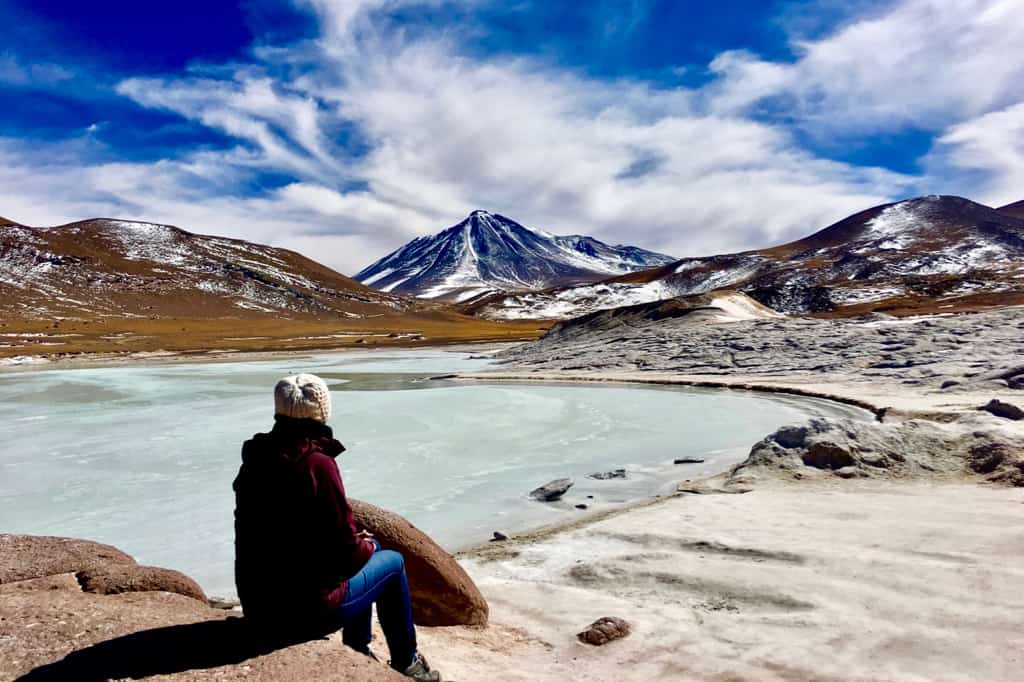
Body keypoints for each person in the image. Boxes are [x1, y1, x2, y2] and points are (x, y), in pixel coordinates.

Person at [233, 373, 442, 681]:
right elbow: (345, 554)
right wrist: (363, 543)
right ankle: (406, 662)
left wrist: (355, 542)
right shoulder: (316, 463)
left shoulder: (257, 455)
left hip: (259, 605)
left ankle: (358, 647)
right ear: (321, 411)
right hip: (304, 614)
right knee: (392, 561)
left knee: (371, 553)